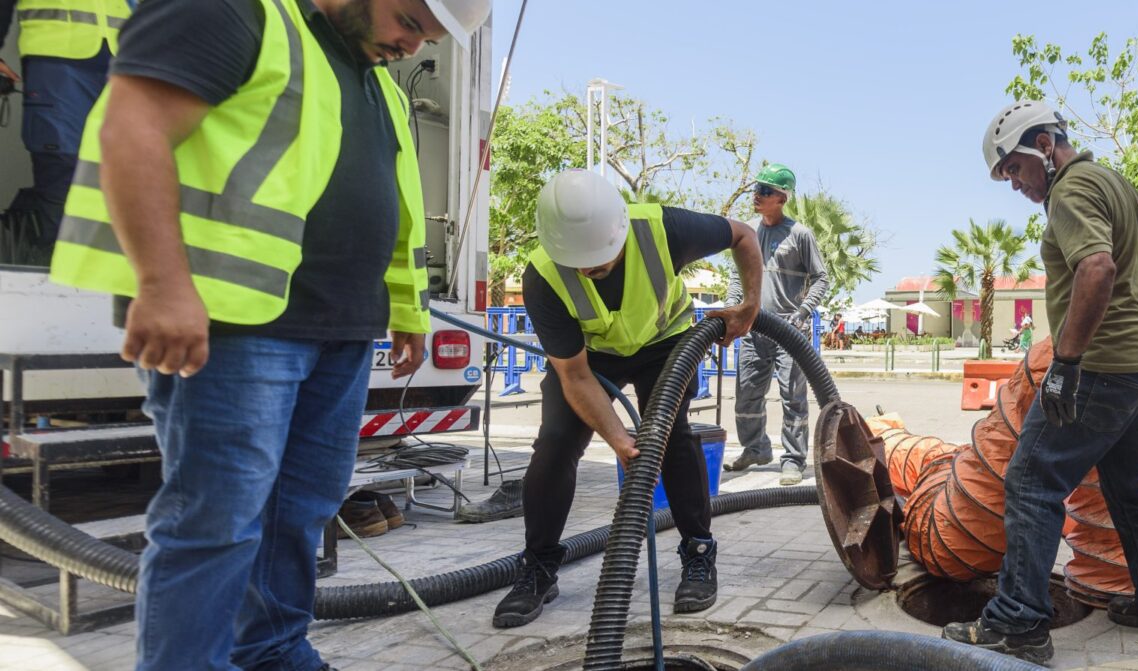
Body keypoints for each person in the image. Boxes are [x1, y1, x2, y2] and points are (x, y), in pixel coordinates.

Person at [44, 0, 488, 667]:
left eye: (426, 34)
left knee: (298, 514)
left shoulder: (378, 85)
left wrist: (407, 310)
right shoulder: (239, 13)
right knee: (214, 524)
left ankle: (274, 651)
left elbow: (392, 208)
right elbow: (133, 128)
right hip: (237, 325)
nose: (412, 43)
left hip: (340, 330)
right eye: (408, 19)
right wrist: (163, 284)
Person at [942, 100, 1138, 664]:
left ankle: (1018, 623)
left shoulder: (1071, 192)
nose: (1014, 185)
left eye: (1013, 169)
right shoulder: (1114, 182)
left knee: (1031, 481)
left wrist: (1068, 363)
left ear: (1043, 147)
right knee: (1129, 488)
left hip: (1103, 369)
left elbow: (1098, 267)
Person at [493, 170, 761, 627]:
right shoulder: (541, 276)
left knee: (671, 438)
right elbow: (574, 377)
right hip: (590, 357)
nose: (591, 269)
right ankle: (538, 567)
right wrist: (620, 441)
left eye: (600, 259)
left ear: (618, 228)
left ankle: (699, 553)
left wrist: (750, 303)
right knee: (555, 443)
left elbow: (743, 235)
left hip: (664, 344)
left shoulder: (663, 229)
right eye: (580, 261)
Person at [0, 0, 130, 261]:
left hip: (131, 58)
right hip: (58, 58)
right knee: (65, 169)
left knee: (128, 173)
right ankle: (51, 273)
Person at [723, 163, 827, 486]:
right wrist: (731, 308)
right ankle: (756, 449)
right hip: (754, 330)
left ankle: (793, 459)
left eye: (765, 191)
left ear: (782, 198)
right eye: (757, 189)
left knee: (792, 397)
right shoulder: (748, 232)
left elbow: (822, 278)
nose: (757, 195)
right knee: (746, 395)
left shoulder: (800, 236)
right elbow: (737, 277)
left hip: (788, 331)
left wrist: (805, 310)